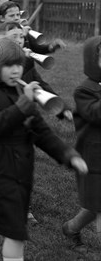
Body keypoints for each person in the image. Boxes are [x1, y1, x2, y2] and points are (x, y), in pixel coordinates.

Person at [0, 37, 87, 261]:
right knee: (14, 231)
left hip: (17, 172)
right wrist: (23, 105)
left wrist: (68, 155)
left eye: (19, 65)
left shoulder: (20, 92)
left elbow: (41, 132)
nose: (16, 71)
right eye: (8, 66)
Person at [62, 36, 101, 252]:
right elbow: (96, 115)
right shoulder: (84, 90)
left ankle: (71, 227)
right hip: (94, 157)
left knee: (95, 204)